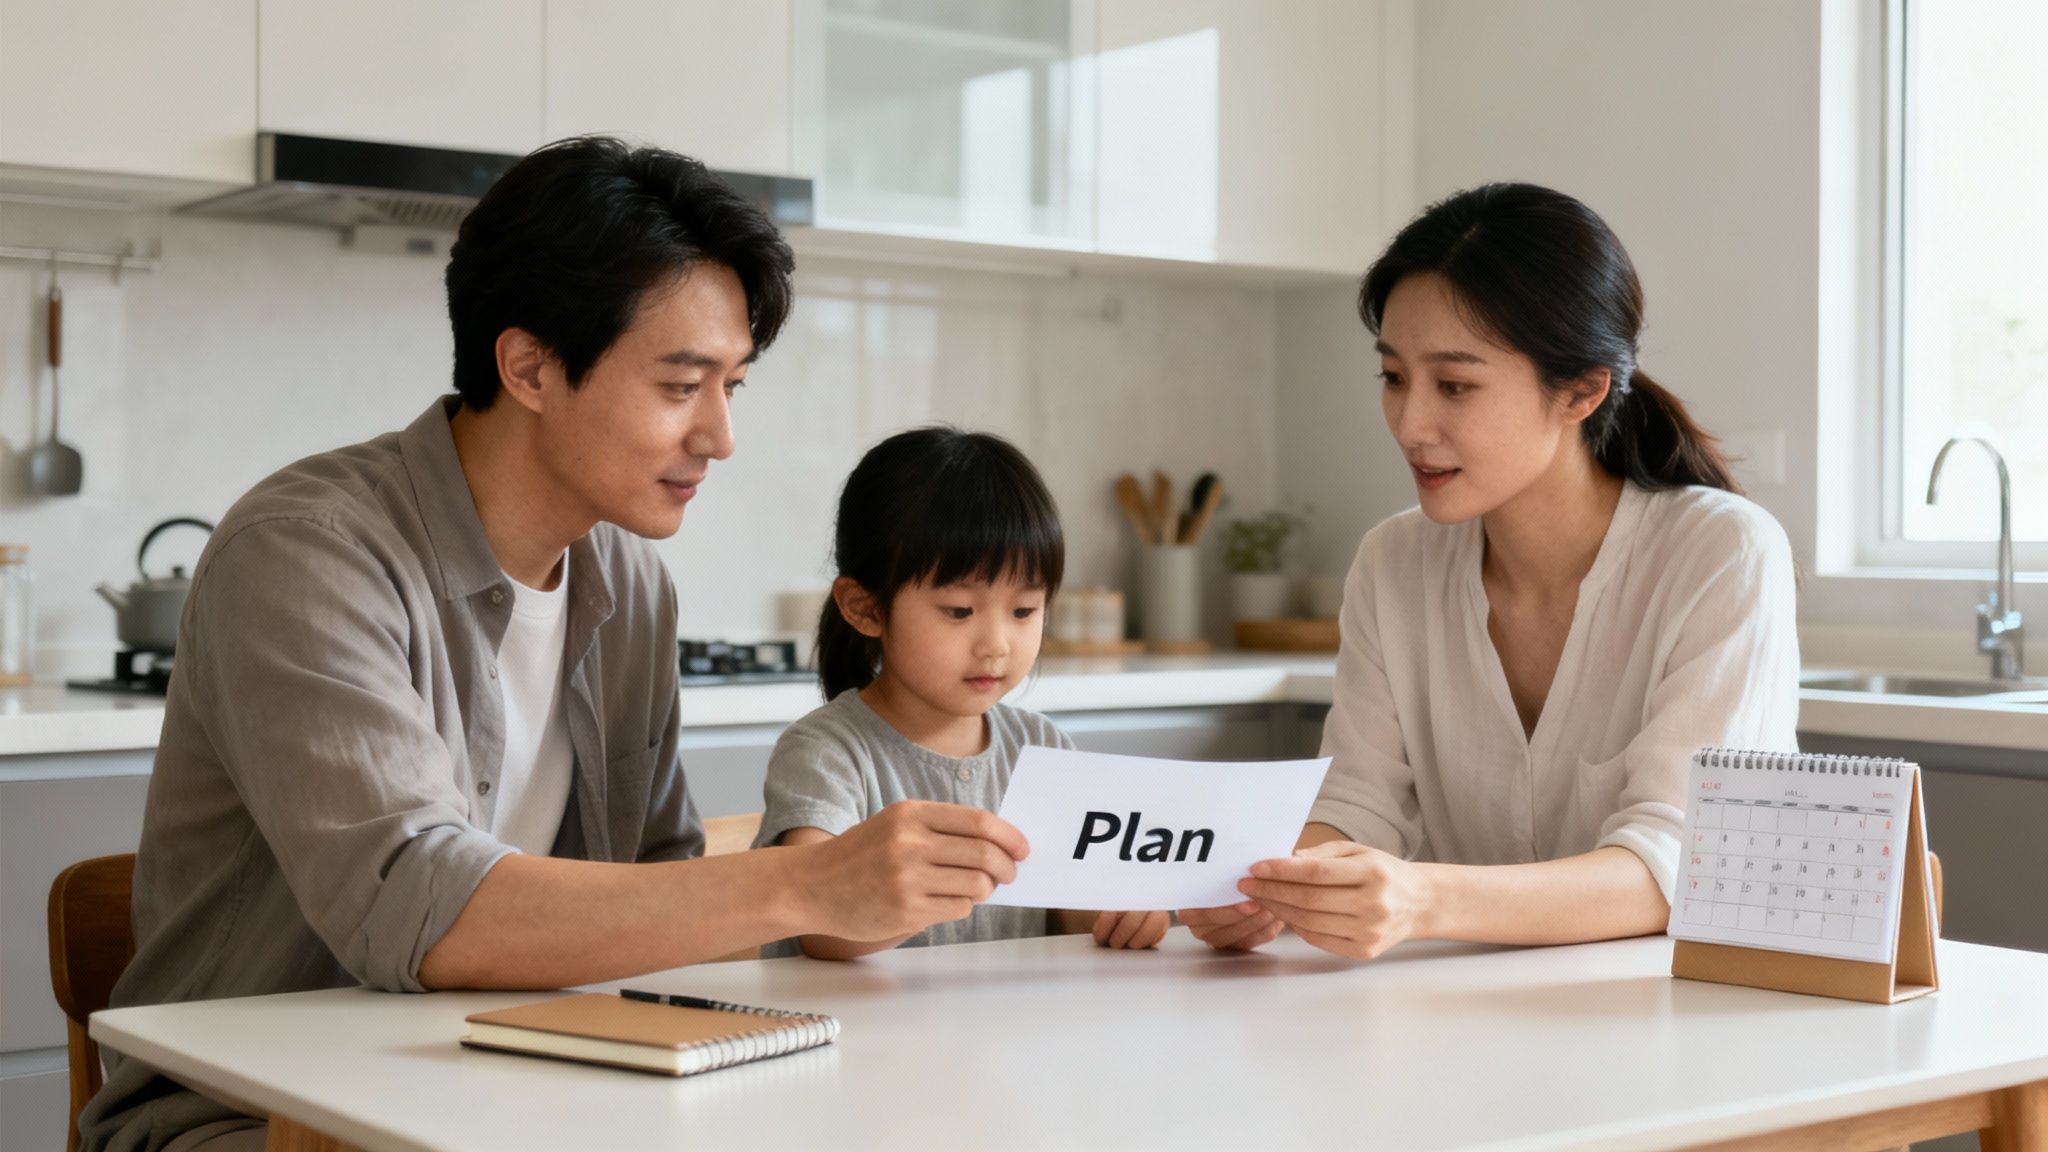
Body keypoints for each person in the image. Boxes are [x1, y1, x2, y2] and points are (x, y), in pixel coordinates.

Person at [81, 139, 1029, 1152]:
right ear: (529, 366)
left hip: (532, 1092)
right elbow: (421, 908)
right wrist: (805, 882)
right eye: (680, 385)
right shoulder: (309, 554)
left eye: (732, 387)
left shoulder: (626, 584)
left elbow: (662, 890)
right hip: (255, 1121)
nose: (719, 436)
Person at [1182, 183, 1799, 959]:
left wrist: (1424, 898)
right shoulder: (1393, 561)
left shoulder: (1721, 553)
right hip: (1455, 1010)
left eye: (1456, 385)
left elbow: (1678, 866)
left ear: (1580, 390)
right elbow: (1359, 801)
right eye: (1394, 377)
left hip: (1666, 1021)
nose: (1411, 425)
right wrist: (1274, 885)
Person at [755, 427, 1170, 958]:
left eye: (1023, 611)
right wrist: (928, 891)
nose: (996, 645)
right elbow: (821, 926)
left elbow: (1071, 910)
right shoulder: (827, 752)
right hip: (869, 1036)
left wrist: (1121, 911)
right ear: (865, 607)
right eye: (958, 611)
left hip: (1001, 1034)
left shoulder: (1043, 749)